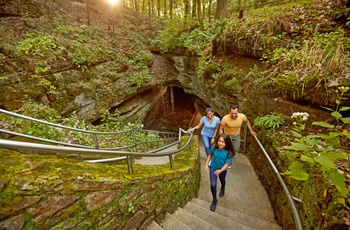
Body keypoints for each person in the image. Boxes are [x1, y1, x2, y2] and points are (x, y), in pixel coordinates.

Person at [205, 133, 235, 212]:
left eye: (223, 142)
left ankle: (223, 188)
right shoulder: (214, 148)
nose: (221, 143)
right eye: (219, 141)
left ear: (226, 143)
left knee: (222, 181)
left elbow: (226, 164)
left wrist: (220, 170)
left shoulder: (228, 152)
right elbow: (210, 155)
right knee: (213, 184)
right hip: (213, 167)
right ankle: (214, 200)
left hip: (222, 169)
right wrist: (206, 164)